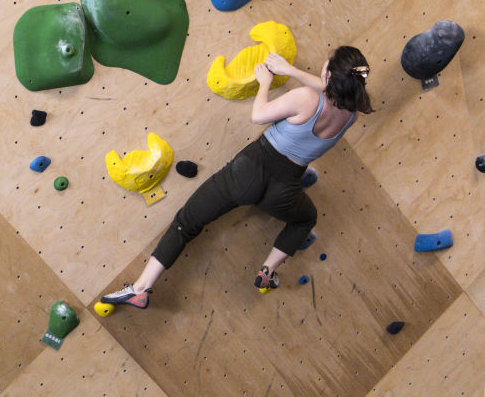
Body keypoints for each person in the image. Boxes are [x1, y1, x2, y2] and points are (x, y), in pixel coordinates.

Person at [102, 46, 373, 308]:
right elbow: (330, 91)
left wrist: (264, 82)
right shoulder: (351, 117)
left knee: (187, 223)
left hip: (250, 170)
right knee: (306, 218)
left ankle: (140, 289)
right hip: (284, 189)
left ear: (329, 75)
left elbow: (259, 115)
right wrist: (291, 70)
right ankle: (267, 270)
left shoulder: (307, 98)